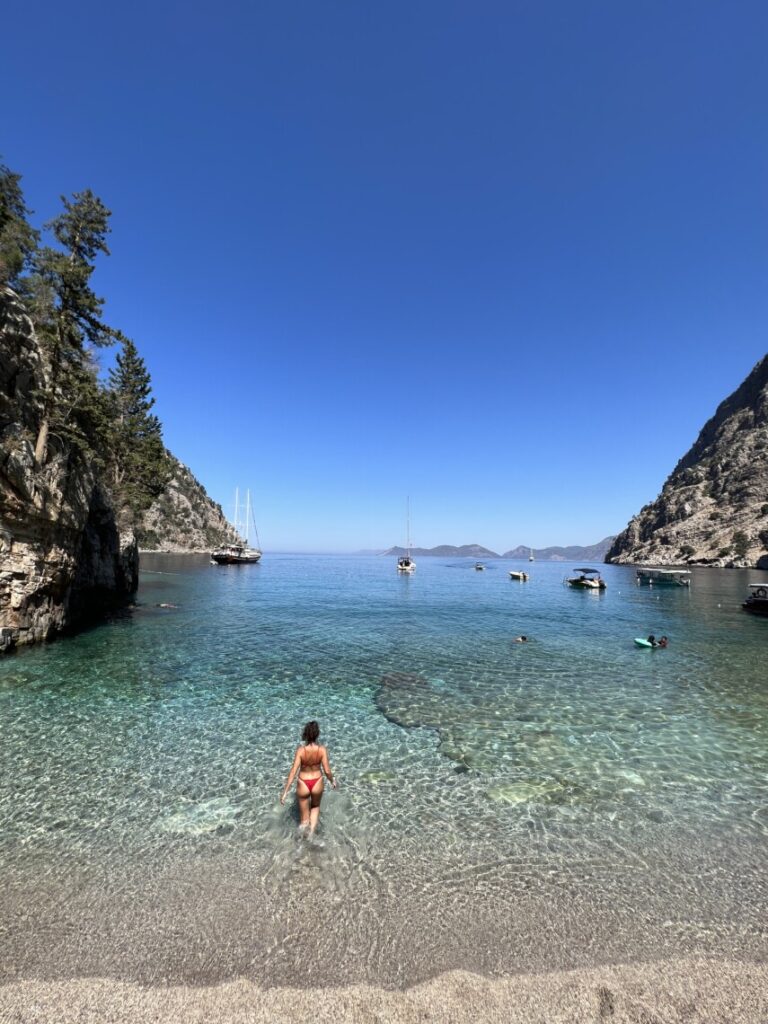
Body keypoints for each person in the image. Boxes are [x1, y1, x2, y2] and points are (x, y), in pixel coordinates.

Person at [280, 721, 337, 833]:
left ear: (305, 733)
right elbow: (327, 770)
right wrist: (332, 780)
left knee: (304, 819)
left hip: (303, 782)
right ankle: (311, 834)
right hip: (317, 781)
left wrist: (285, 792)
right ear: (317, 734)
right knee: (315, 807)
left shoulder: (301, 750)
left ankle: (301, 842)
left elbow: (293, 772)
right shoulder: (322, 750)